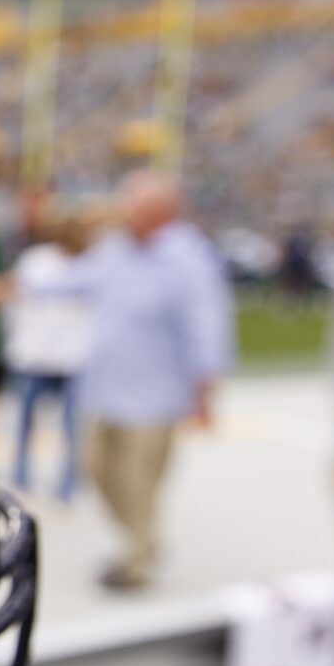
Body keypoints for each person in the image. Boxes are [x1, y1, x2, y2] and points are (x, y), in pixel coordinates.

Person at [76, 170, 234, 591]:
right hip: (106, 389)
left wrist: (205, 389)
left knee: (140, 481)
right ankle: (141, 539)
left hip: (155, 396)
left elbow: (206, 326)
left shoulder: (188, 258)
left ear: (159, 211)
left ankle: (137, 562)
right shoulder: (115, 250)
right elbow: (79, 280)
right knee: (95, 468)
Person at [3, 196, 93, 500]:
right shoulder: (37, 261)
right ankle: (21, 475)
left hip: (75, 358)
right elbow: (17, 304)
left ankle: (68, 483)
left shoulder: (94, 264)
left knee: (73, 428)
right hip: (36, 355)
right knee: (25, 422)